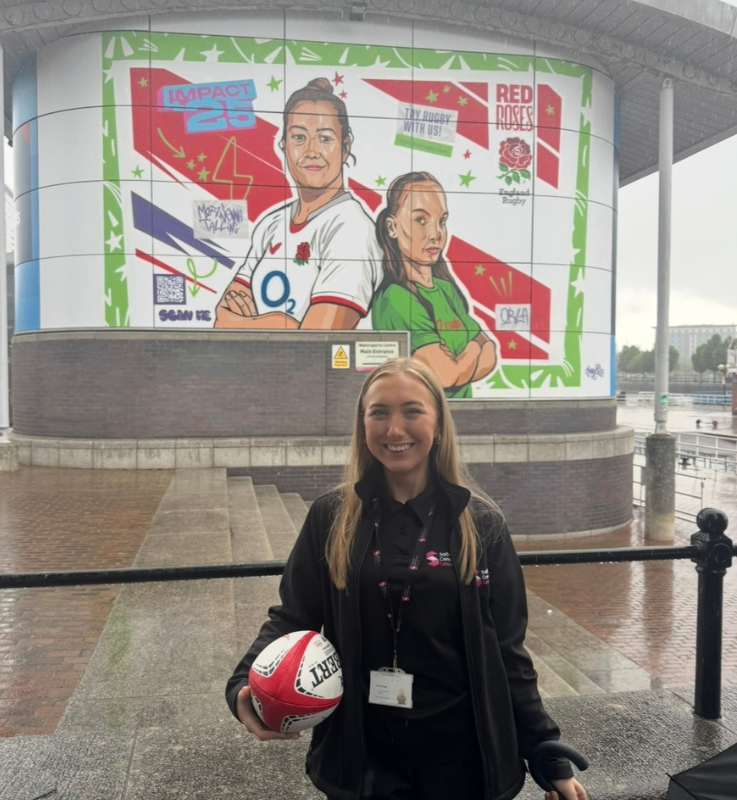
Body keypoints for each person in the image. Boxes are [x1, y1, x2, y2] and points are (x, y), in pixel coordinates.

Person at [226, 357, 589, 800]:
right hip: (364, 764)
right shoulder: (330, 517)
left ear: (438, 423)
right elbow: (292, 617)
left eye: (412, 411)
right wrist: (244, 684)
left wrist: (547, 754)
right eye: (379, 412)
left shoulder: (482, 525)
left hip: (462, 765)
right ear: (363, 425)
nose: (394, 429)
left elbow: (508, 652)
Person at [215, 77, 382, 330]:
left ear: (345, 148)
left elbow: (317, 341)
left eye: (325, 138)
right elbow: (222, 319)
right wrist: (280, 323)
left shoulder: (352, 229)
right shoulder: (271, 224)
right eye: (299, 137)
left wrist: (253, 323)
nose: (311, 151)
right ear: (284, 146)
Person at [371, 173, 496, 398]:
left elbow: (491, 355)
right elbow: (446, 375)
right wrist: (475, 348)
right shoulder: (396, 298)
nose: (435, 234)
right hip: (426, 421)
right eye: (420, 220)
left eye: (442, 221)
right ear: (392, 227)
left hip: (461, 418)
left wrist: (462, 360)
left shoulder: (445, 288)